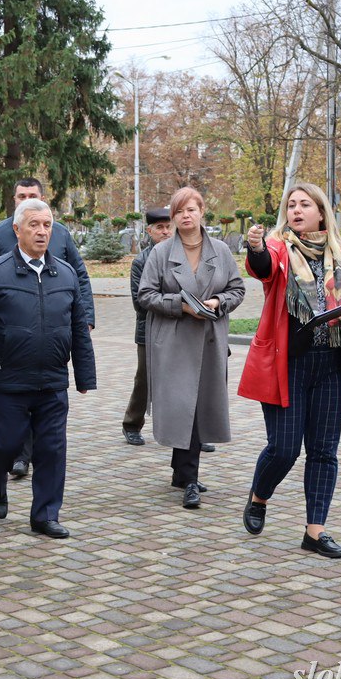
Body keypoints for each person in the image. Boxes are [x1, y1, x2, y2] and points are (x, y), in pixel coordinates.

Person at [237, 183, 341, 559]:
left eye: (304, 204)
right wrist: (256, 247)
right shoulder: (279, 247)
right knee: (284, 448)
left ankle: (315, 531)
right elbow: (263, 268)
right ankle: (259, 497)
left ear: (321, 212)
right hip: (287, 364)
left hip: (331, 364)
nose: (296, 210)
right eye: (291, 205)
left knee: (324, 452)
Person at [0, 198, 96, 538]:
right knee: (5, 445)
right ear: (17, 229)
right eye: (34, 225)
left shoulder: (64, 273)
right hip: (9, 379)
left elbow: (79, 327)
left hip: (52, 381)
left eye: (47, 225)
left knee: (52, 449)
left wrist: (84, 375)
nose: (41, 231)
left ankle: (45, 515)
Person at [0, 177, 95, 479]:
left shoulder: (61, 234)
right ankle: (16, 456)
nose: (41, 231)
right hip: (11, 344)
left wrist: (85, 318)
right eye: (21, 195)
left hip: (52, 339)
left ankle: (38, 489)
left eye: (33, 195)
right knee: (13, 422)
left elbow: (78, 276)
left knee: (49, 431)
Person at [137, 188, 245, 508]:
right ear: (173, 217)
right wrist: (180, 305)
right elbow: (146, 295)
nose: (186, 216)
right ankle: (189, 479)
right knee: (183, 405)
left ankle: (183, 472)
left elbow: (236, 289)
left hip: (209, 339)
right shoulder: (160, 253)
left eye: (191, 209)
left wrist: (218, 301)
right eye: (179, 211)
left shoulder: (222, 251)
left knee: (198, 407)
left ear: (202, 212)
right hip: (173, 340)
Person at [121, 206, 173, 446]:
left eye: (168, 227)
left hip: (181, 328)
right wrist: (177, 306)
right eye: (159, 228)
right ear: (150, 231)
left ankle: (189, 432)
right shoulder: (141, 261)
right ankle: (132, 424)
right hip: (149, 328)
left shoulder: (183, 254)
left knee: (183, 379)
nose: (165, 232)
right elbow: (140, 302)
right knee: (145, 379)